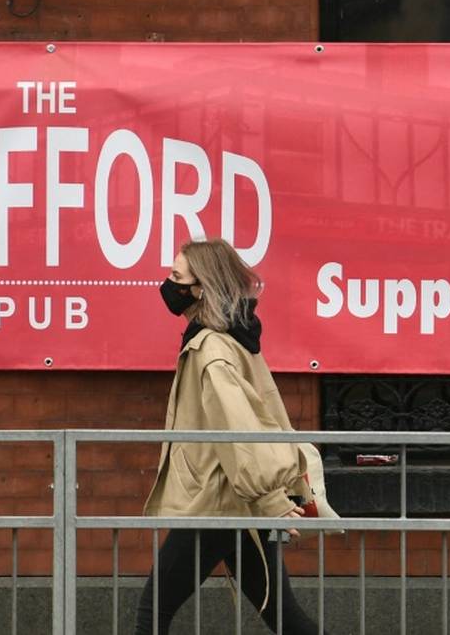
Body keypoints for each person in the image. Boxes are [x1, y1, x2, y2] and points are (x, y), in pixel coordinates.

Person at [135, 238, 324, 635]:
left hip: (218, 503)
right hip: (236, 503)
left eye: (176, 277)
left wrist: (271, 498)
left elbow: (239, 428)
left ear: (200, 287)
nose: (168, 285)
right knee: (287, 620)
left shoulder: (210, 349)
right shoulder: (236, 338)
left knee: (151, 613)